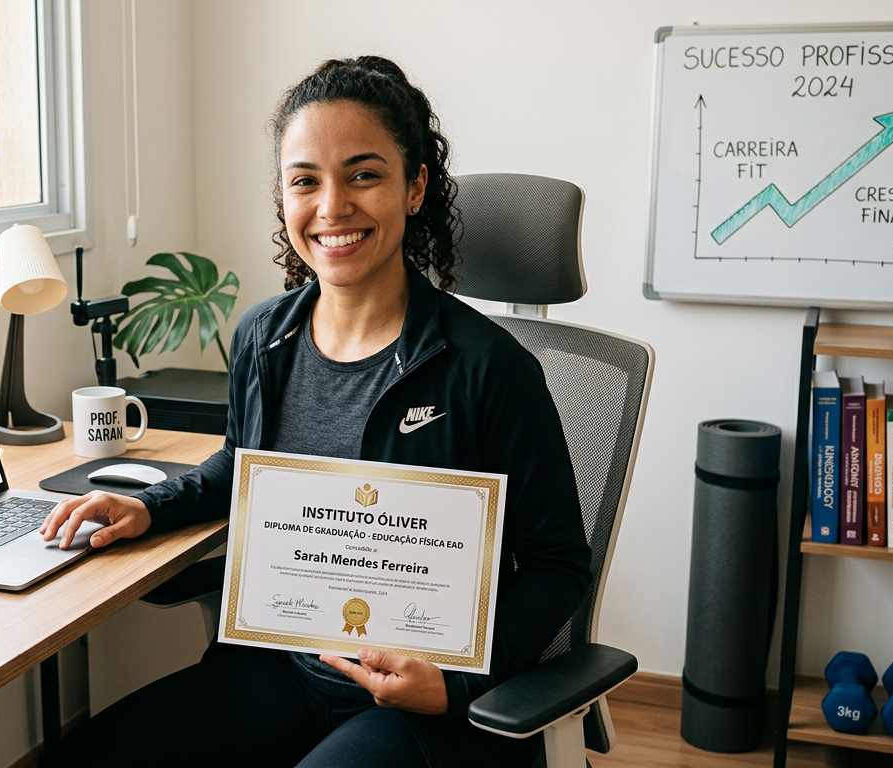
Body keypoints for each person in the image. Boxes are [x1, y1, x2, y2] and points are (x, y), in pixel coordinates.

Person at [41, 55, 591, 768]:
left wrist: (457, 684)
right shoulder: (265, 338)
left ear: (415, 186)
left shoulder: (490, 368)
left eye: (364, 175)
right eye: (306, 180)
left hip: (419, 704)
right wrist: (153, 507)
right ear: (284, 197)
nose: (332, 207)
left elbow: (558, 566)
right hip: (282, 671)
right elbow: (243, 468)